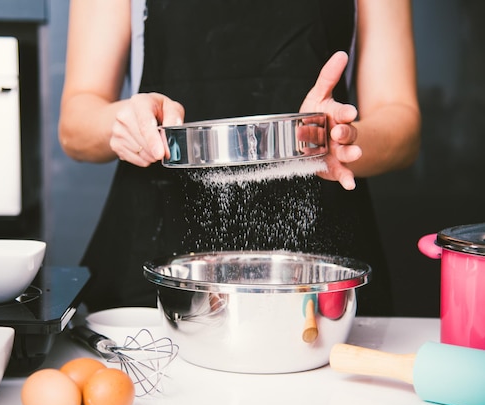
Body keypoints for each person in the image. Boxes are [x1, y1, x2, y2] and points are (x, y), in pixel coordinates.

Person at [58, 0, 421, 315]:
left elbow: (402, 123)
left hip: (320, 270)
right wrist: (124, 125)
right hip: (159, 256)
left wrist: (344, 139)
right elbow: (75, 126)